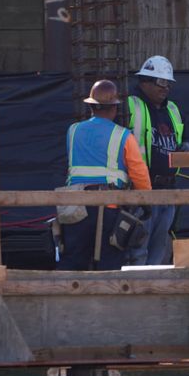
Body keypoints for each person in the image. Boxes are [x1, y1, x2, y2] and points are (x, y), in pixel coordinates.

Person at [58, 80, 152, 270]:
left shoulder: (73, 131)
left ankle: (67, 298)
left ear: (91, 106)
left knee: (73, 262)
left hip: (74, 206)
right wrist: (146, 200)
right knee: (109, 263)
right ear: (115, 108)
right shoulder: (123, 135)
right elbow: (139, 173)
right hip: (108, 207)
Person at [126, 55, 189, 265]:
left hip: (167, 191)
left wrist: (187, 147)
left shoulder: (172, 109)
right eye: (161, 83)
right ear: (145, 82)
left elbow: (187, 137)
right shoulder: (130, 105)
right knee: (138, 247)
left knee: (159, 247)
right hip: (141, 190)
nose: (166, 88)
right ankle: (137, 291)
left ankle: (152, 289)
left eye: (168, 84)